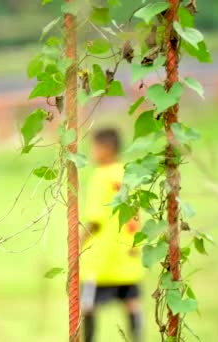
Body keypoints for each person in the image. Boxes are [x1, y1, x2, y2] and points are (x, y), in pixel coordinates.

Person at [80, 128, 144, 342]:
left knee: (87, 304)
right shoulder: (128, 174)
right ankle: (137, 338)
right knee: (132, 301)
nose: (92, 152)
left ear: (106, 149)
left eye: (94, 147)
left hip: (102, 258)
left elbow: (95, 220)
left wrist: (79, 242)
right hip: (128, 251)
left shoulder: (101, 177)